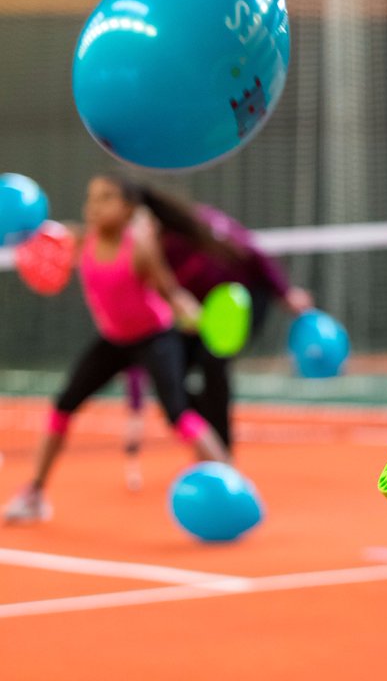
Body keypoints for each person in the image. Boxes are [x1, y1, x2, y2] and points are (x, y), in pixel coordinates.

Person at [4, 173, 231, 524]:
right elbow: (43, 238)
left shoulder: (139, 247)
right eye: (91, 198)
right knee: (63, 406)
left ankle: (230, 483)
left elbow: (170, 291)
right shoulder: (81, 240)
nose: (94, 206)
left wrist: (190, 310)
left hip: (155, 338)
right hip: (114, 340)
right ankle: (34, 493)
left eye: (106, 198)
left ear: (128, 209)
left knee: (178, 413)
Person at [120, 184, 312, 482]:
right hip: (193, 317)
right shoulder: (139, 254)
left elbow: (253, 253)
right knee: (170, 381)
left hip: (241, 301)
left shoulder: (200, 222)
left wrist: (285, 293)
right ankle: (208, 443)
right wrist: (134, 401)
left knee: (214, 365)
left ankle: (222, 458)